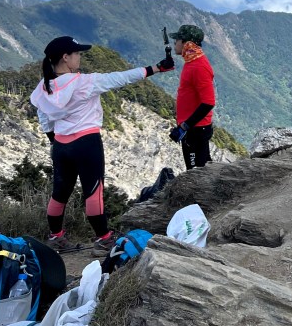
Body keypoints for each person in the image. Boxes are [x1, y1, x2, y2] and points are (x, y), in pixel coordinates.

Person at [30, 35, 175, 255]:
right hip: (86, 143)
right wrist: (155, 68)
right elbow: (120, 78)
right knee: (93, 191)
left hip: (60, 144)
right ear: (65, 57)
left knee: (59, 192)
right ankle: (104, 240)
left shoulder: (44, 87)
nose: (80, 57)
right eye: (77, 53)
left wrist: (56, 141)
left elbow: (44, 118)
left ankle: (55, 237)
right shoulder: (84, 82)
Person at [167, 24, 216, 169]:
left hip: (196, 130)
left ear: (186, 43)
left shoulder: (199, 67)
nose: (174, 43)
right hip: (193, 129)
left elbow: (208, 102)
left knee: (196, 172)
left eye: (177, 40)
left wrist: (185, 126)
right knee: (201, 169)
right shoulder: (191, 62)